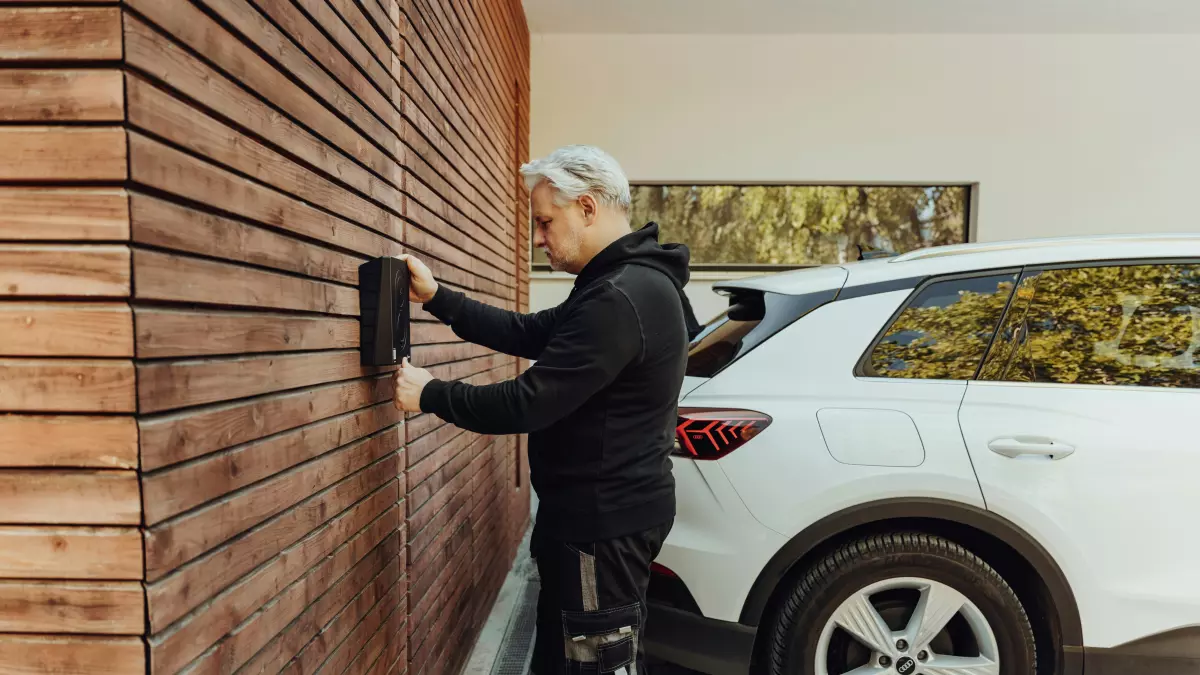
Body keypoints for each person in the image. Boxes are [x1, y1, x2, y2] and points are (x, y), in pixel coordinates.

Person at [392, 145, 699, 675]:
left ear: (586, 207)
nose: (538, 239)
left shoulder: (622, 296)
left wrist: (431, 393)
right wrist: (438, 297)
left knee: (594, 663)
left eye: (544, 222)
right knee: (574, 657)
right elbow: (531, 332)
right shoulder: (618, 283)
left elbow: (527, 403)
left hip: (599, 530)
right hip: (595, 521)